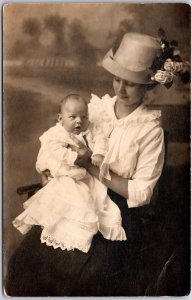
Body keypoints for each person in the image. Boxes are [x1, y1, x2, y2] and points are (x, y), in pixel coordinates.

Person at [6, 32, 182, 296]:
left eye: (131, 84)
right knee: (25, 260)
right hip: (73, 195)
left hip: (118, 212)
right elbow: (59, 140)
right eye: (116, 79)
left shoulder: (149, 131)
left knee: (84, 279)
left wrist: (90, 166)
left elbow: (142, 194)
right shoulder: (95, 109)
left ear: (148, 85)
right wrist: (52, 171)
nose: (120, 89)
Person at [12, 94, 126, 253]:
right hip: (63, 170)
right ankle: (61, 225)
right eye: (72, 117)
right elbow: (52, 150)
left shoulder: (91, 128)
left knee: (90, 197)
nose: (79, 121)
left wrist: (98, 153)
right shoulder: (56, 133)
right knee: (64, 195)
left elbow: (100, 138)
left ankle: (78, 227)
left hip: (83, 174)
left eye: (83, 117)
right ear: (60, 118)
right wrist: (74, 157)